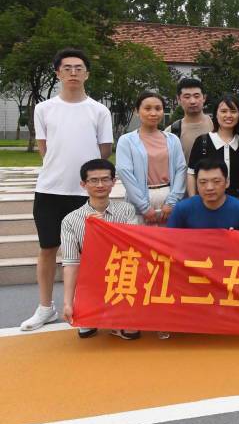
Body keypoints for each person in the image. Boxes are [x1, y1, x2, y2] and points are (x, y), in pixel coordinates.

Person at [22, 48, 113, 332]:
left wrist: (90, 182)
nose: (73, 72)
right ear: (58, 73)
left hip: (85, 194)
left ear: (87, 74)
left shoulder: (99, 111)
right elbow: (44, 149)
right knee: (47, 248)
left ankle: (84, 308)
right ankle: (45, 307)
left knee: (88, 253)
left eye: (78, 68)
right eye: (67, 68)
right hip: (50, 190)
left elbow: (104, 151)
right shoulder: (44, 109)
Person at [59, 159, 140, 340]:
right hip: (91, 279)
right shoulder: (71, 220)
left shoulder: (127, 210)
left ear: (113, 182)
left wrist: (104, 230)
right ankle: (89, 307)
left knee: (131, 332)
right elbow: (71, 264)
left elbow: (134, 247)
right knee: (86, 330)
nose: (100, 185)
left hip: (122, 277)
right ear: (83, 184)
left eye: (105, 179)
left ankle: (122, 314)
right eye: (94, 180)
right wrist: (68, 303)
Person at [116, 91, 187, 227]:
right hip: (139, 201)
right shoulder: (127, 141)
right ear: (137, 111)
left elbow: (180, 170)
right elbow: (125, 173)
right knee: (140, 239)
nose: (153, 113)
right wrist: (144, 207)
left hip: (168, 199)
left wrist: (171, 203)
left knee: (168, 238)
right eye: (147, 108)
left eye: (158, 109)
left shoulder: (173, 140)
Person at [167, 157, 239, 230]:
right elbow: (170, 241)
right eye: (203, 182)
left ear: (227, 182)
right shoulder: (182, 209)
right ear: (196, 184)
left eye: (216, 181)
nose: (209, 187)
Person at [188, 94, 239, 200]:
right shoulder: (203, 141)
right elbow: (191, 173)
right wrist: (193, 201)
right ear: (216, 114)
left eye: (233, 111)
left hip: (236, 201)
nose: (228, 115)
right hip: (207, 201)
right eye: (223, 111)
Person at [166, 77, 214, 160]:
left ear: (204, 98)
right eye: (187, 97)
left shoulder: (217, 126)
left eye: (196, 96)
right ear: (178, 99)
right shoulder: (171, 132)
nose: (192, 101)